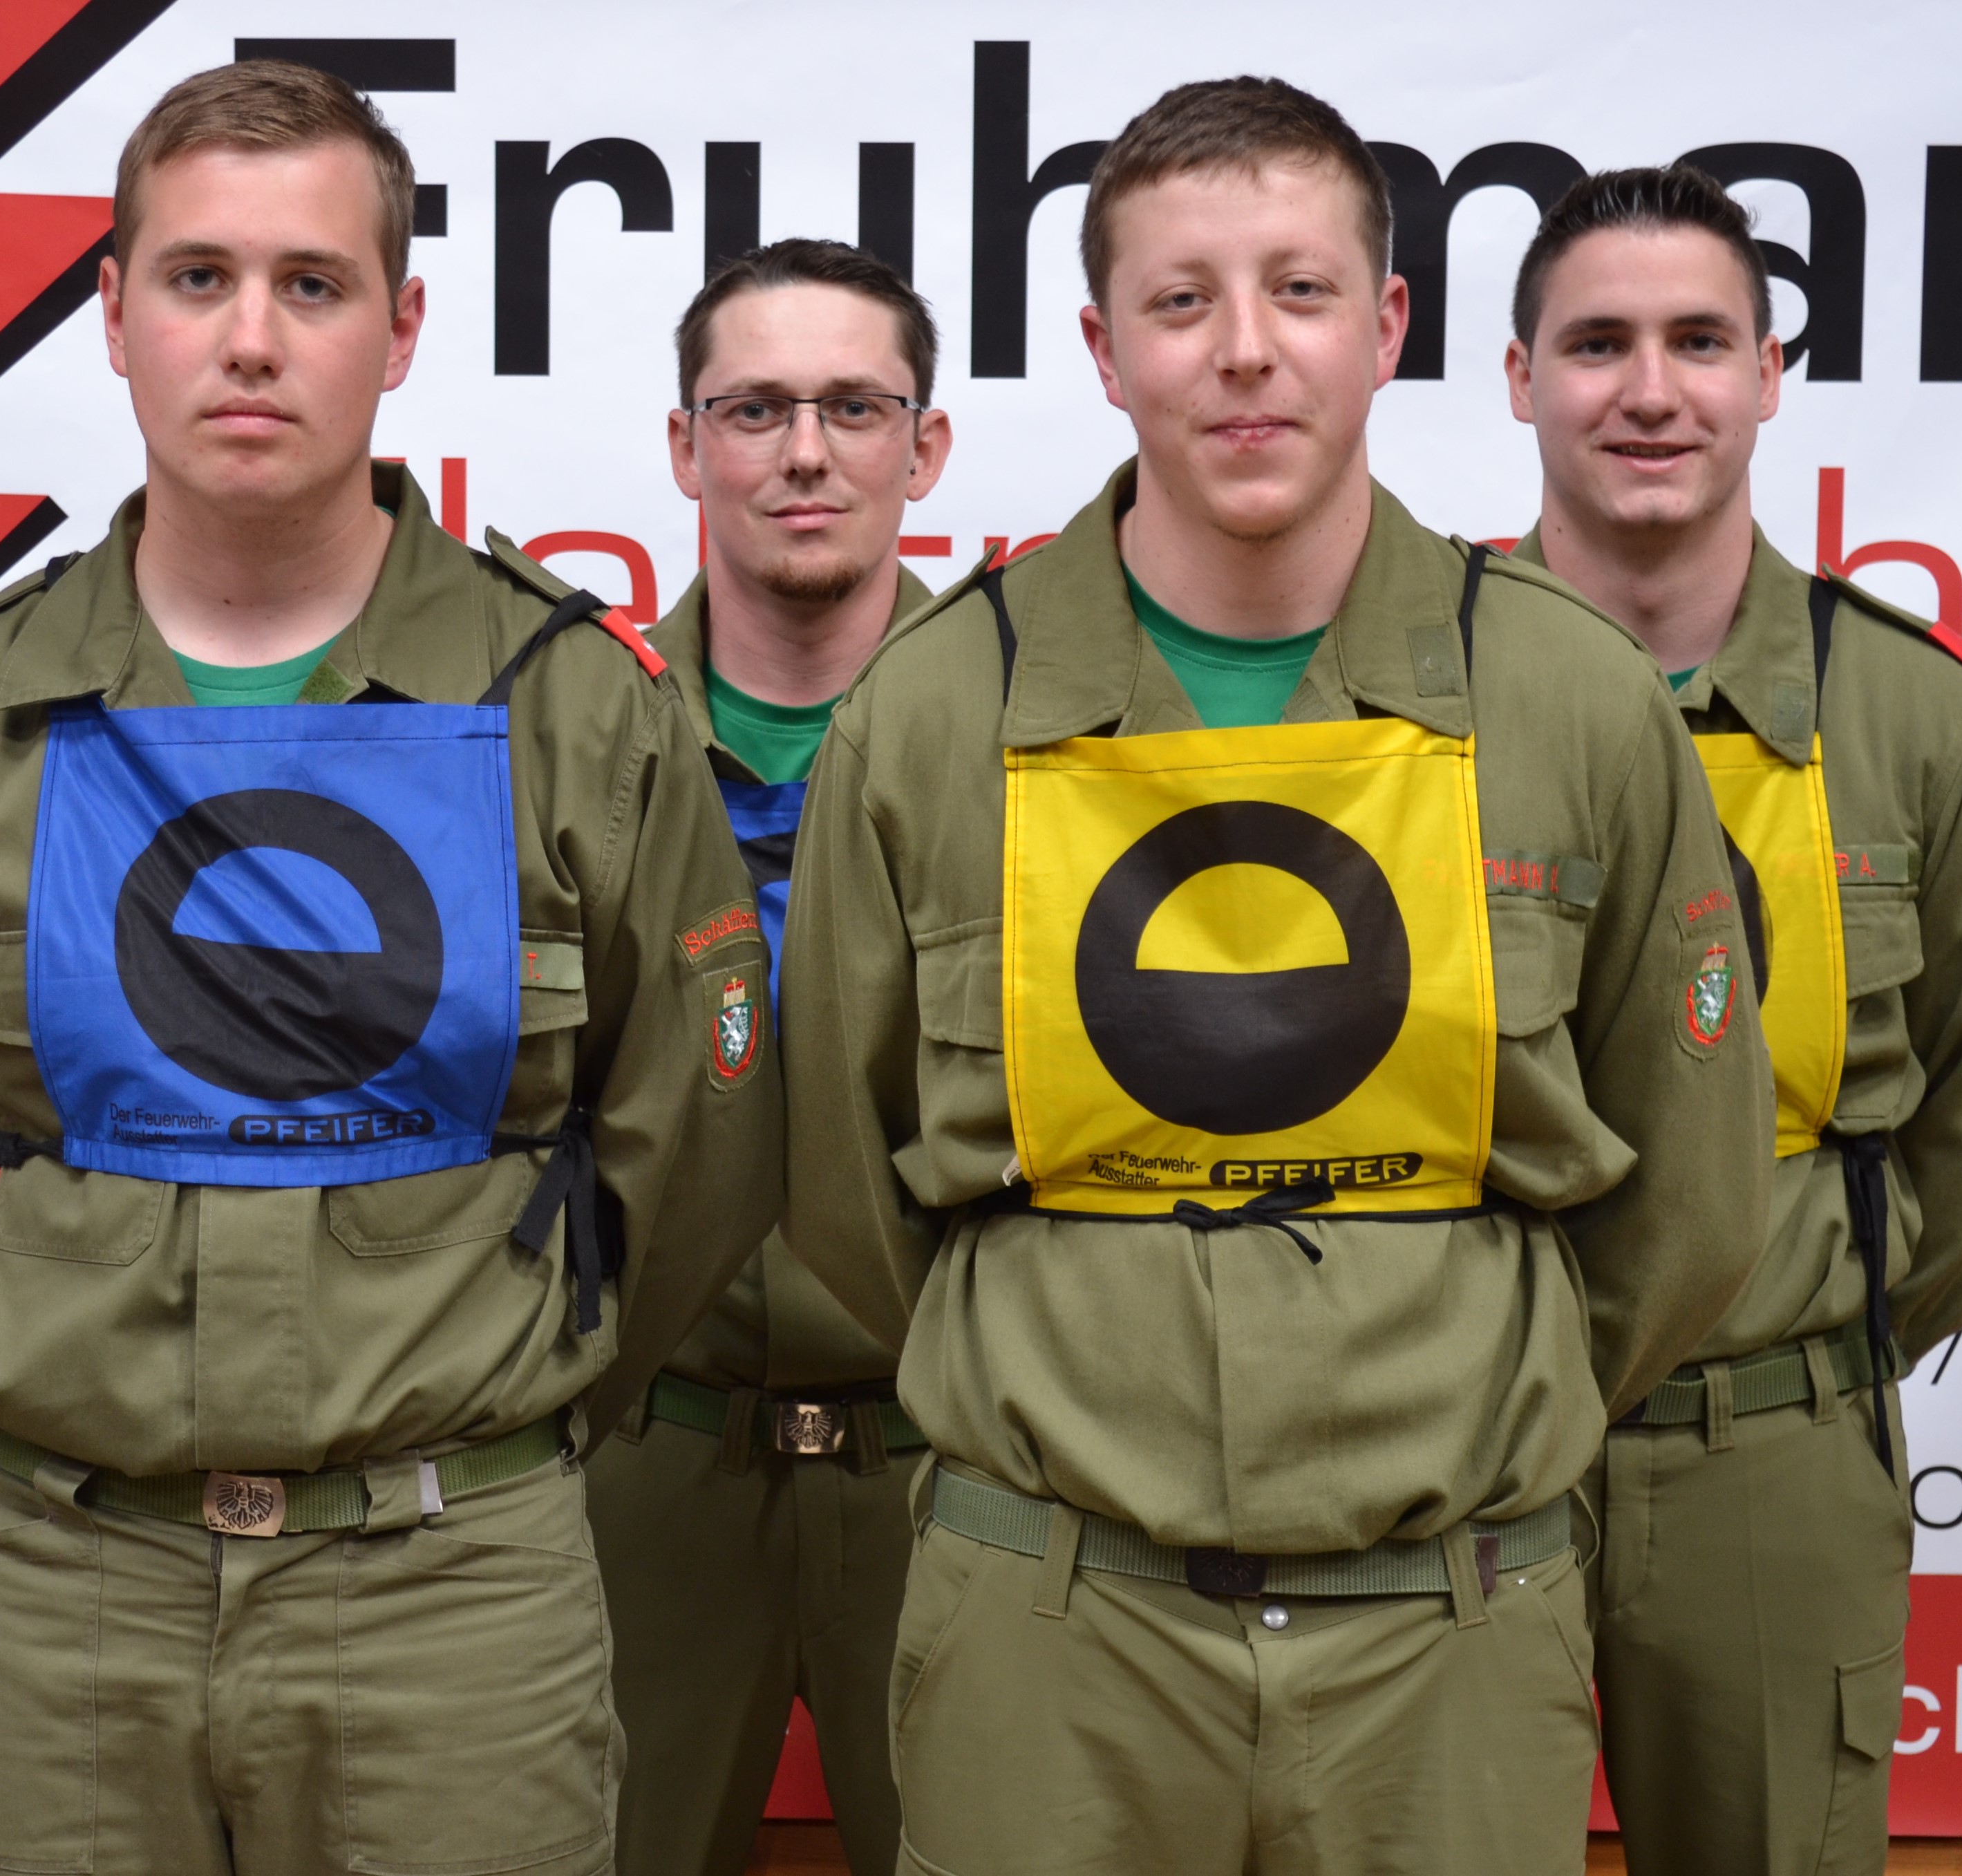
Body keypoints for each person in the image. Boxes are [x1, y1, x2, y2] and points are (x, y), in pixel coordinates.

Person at [782, 77, 1777, 1874]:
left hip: (1447, 1635)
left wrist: (1465, 1386)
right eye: (1181, 300)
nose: (1243, 349)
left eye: (1297, 291)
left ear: (1383, 326)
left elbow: (1690, 1196)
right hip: (1049, 1632)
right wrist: (1072, 1376)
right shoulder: (927, 714)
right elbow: (849, 1195)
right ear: (1101, 349)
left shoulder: (1570, 699)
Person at [0, 61, 780, 1874]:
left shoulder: (575, 708)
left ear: (399, 330)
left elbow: (692, 1153)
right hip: (55, 1603)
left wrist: (499, 1374)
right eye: (199, 278)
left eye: (312, 285)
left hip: (453, 1598)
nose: (251, 338)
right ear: (113, 318)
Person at [1504, 164, 1962, 1876]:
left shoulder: (1918, 714)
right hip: (1459, 1449)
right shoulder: (1409, 696)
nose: (1649, 390)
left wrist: (1801, 1346)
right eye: (1595, 343)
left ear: (1767, 375)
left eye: (1698, 341)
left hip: (1769, 1449)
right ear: (1518, 379)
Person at [589, 238, 952, 1876]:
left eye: (853, 407)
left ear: (922, 448)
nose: (805, 452)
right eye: (754, 410)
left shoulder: (1031, 739)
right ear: (686, 447)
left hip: (950, 1467)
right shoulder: (578, 735)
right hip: (646, 1461)